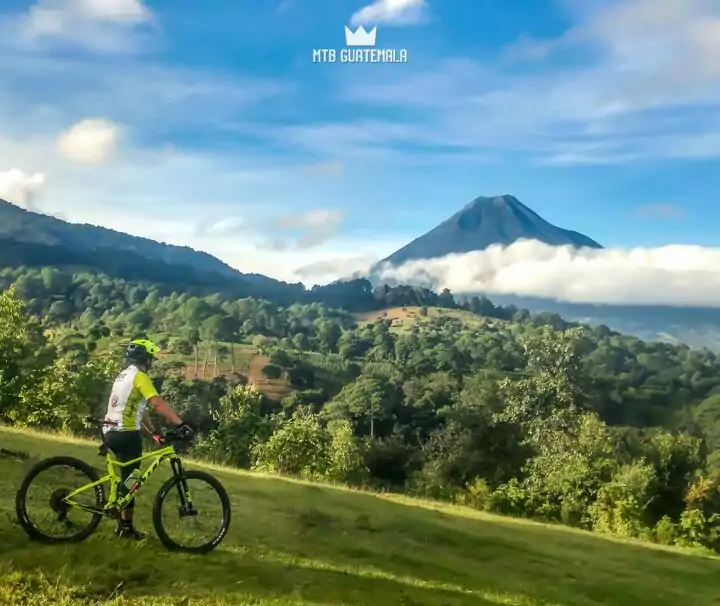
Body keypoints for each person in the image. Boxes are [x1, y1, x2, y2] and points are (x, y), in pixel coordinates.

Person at [102, 338, 194, 540]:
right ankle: (125, 528)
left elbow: (139, 409)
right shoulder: (140, 376)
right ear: (146, 359)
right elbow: (157, 404)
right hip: (127, 434)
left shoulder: (123, 375)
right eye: (151, 357)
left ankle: (123, 524)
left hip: (110, 431)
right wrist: (180, 424)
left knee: (126, 479)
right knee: (131, 480)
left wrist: (153, 432)